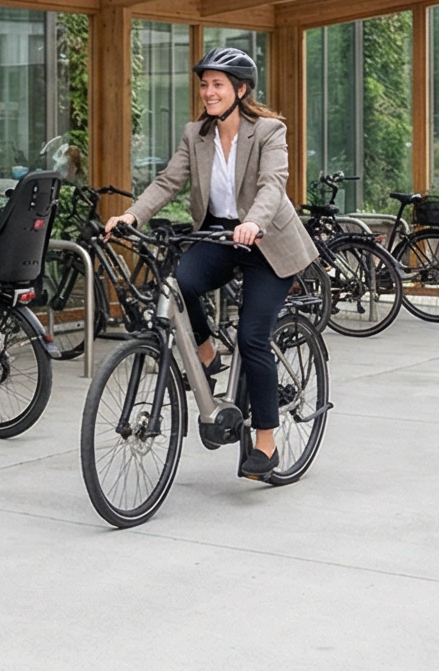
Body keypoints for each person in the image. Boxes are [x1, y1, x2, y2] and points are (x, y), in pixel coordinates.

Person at [106, 45, 318, 480]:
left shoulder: (269, 130)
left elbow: (273, 185)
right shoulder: (195, 134)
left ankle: (265, 442)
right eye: (204, 84)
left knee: (252, 336)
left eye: (217, 84)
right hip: (221, 234)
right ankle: (205, 352)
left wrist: (254, 223)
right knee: (177, 283)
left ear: (240, 89)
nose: (208, 92)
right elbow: (168, 181)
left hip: (269, 242)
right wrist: (131, 215)